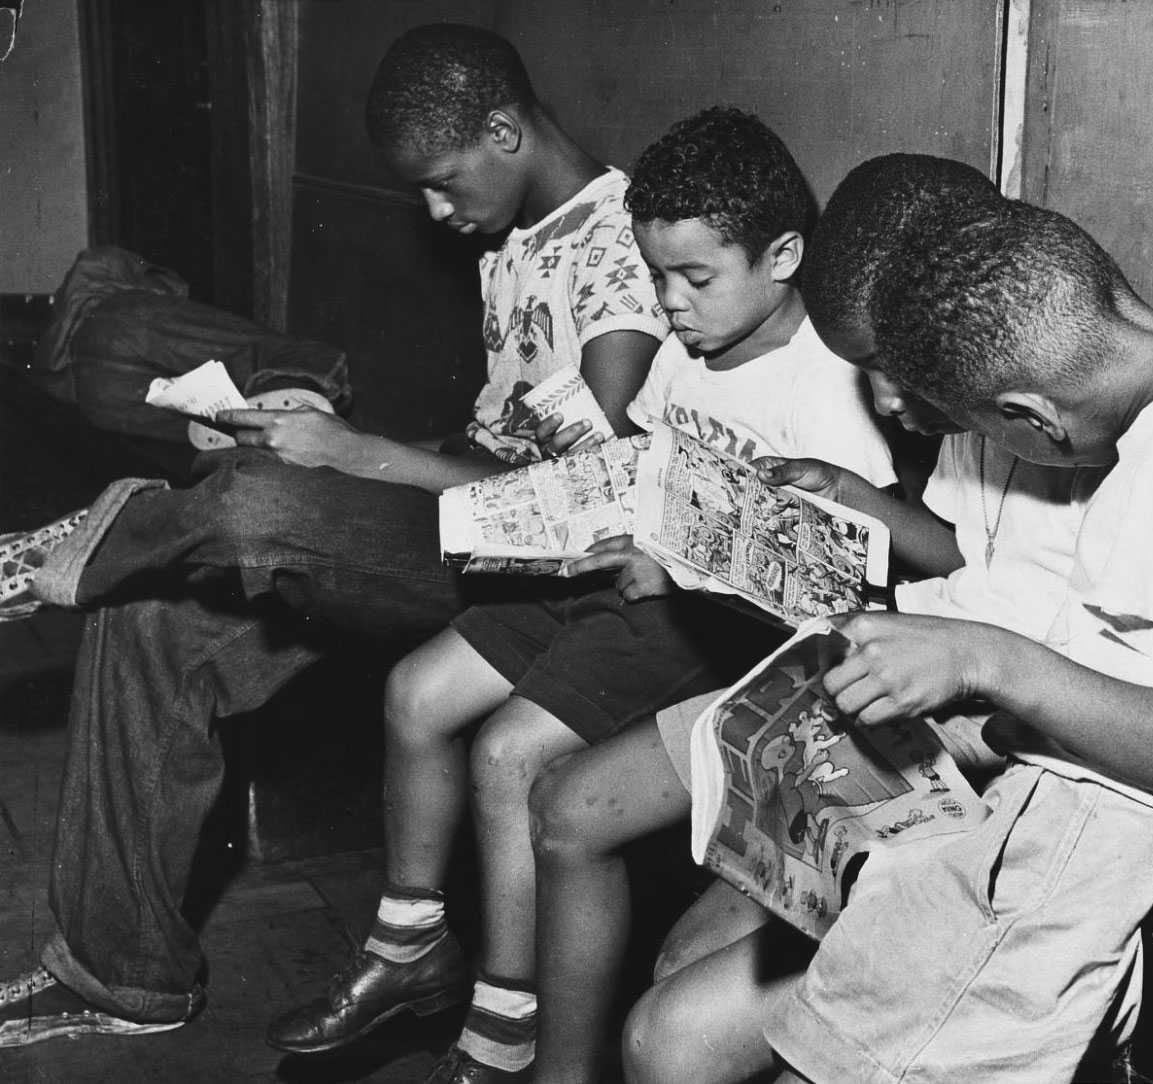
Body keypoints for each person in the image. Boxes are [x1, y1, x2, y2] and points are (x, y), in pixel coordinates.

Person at [0, 23, 667, 1047]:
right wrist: (335, 444)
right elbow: (492, 442)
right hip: (454, 514)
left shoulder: (622, 258)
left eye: (442, 184)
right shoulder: (520, 238)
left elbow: (582, 500)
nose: (437, 215)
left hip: (525, 572)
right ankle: (120, 971)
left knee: (251, 505)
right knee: (154, 615)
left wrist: (353, 457)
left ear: (503, 129)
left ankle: (84, 544)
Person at [628, 198, 1153, 1083]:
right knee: (691, 1019)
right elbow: (1139, 663)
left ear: (1033, 419)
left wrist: (985, 659)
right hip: (1079, 791)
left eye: (977, 427)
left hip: (1120, 841)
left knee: (733, 1049)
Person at [265, 106, 899, 1084]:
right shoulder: (692, 343)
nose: (671, 306)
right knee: (419, 688)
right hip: (640, 577)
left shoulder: (825, 385)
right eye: (657, 279)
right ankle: (411, 947)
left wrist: (677, 559)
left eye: (695, 279)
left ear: (782, 257)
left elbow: (841, 576)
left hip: (726, 631)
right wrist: (567, 522)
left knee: (513, 749)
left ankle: (504, 1030)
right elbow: (644, 462)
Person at [520, 153, 1113, 1084]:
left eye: (896, 373)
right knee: (577, 815)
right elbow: (963, 556)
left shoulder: (1063, 427)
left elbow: (1032, 650)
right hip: (875, 696)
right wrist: (842, 503)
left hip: (967, 750)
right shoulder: (973, 420)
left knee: (669, 1020)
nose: (885, 401)